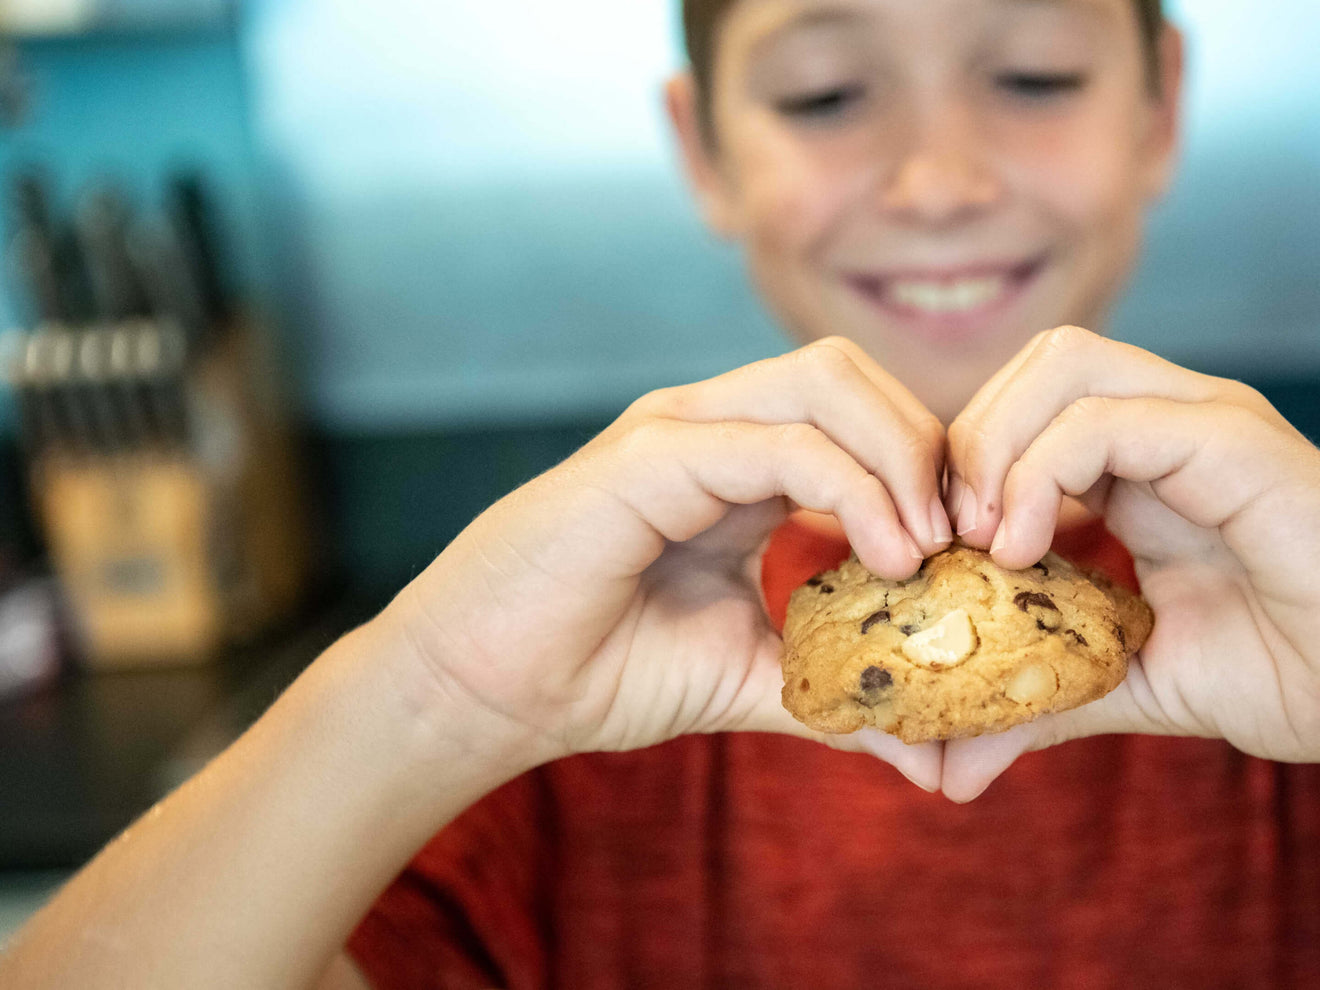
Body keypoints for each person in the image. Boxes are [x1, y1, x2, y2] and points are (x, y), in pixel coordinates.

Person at [4, 0, 1320, 986]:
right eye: (823, 95)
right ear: (703, 148)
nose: (940, 183)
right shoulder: (570, 702)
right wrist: (433, 696)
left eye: (1034, 75)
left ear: (1159, 106)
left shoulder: (1285, 636)